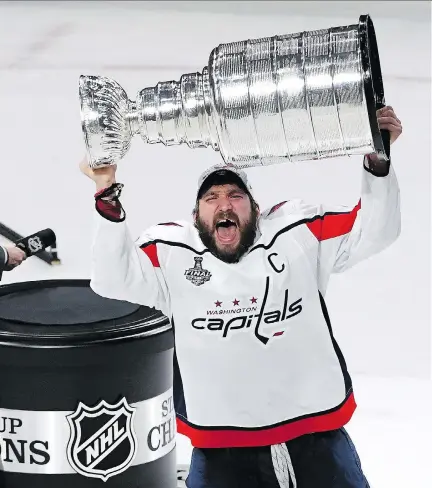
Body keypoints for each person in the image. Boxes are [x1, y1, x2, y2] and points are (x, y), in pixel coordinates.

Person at [80, 106, 402, 488]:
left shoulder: (297, 233)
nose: (224, 204)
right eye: (211, 198)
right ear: (195, 216)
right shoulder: (170, 251)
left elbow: (374, 231)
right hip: (222, 449)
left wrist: (378, 159)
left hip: (316, 436)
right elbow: (113, 278)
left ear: (256, 210)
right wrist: (105, 191)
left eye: (235, 195)